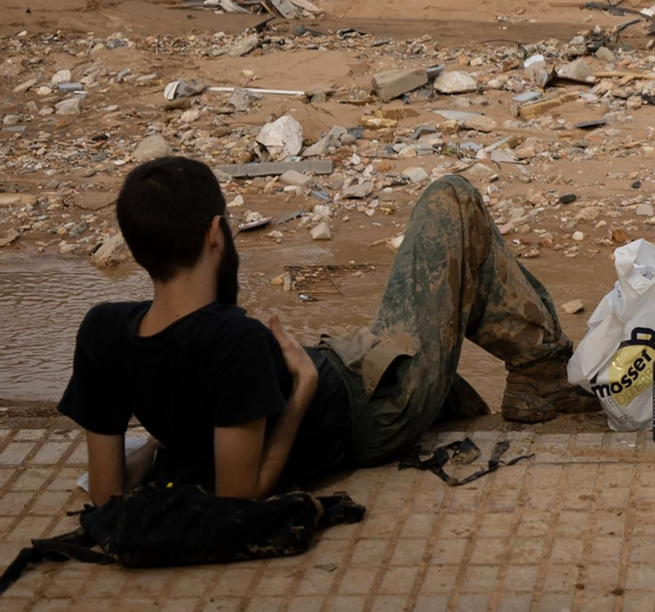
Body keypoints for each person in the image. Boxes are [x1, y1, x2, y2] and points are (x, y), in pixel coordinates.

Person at [58, 157, 593, 505]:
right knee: (451, 197)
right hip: (377, 406)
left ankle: (517, 380)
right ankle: (542, 367)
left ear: (134, 246)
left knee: (446, 334)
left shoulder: (103, 332)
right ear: (216, 234)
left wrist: (165, 448)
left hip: (354, 373)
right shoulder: (232, 339)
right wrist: (301, 396)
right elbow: (239, 501)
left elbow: (104, 497)